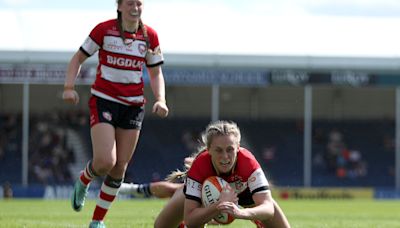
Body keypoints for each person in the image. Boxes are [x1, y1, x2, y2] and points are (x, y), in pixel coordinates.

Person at [62, 0, 168, 227]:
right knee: (104, 162)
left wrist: (161, 99)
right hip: (104, 101)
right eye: (130, 3)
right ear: (119, 6)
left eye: (139, 3)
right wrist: (69, 88)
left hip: (133, 105)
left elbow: (156, 71)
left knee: (120, 166)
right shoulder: (103, 30)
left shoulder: (150, 36)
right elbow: (77, 59)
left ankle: (97, 222)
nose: (135, 7)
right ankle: (85, 179)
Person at [154, 120, 291, 228]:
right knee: (161, 226)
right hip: (205, 195)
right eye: (219, 150)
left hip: (245, 194)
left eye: (230, 150)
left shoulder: (248, 162)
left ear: (238, 148)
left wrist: (241, 213)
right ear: (209, 150)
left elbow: (268, 208)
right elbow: (190, 220)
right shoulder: (200, 165)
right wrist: (219, 205)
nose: (225, 157)